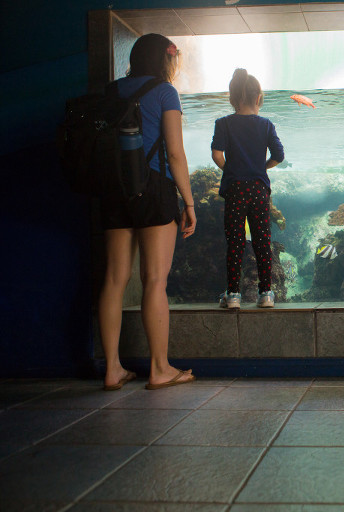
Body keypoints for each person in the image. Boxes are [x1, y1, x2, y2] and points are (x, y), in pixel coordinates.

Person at [99, 33, 197, 391]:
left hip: (114, 190)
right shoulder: (165, 92)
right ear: (166, 59)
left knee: (114, 279)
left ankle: (112, 369)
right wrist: (188, 202)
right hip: (154, 189)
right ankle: (159, 369)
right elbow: (175, 153)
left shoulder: (112, 91)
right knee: (154, 279)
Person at [212, 69, 284, 309]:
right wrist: (261, 168)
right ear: (258, 98)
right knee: (262, 241)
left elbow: (217, 154)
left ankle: (233, 294)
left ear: (233, 98)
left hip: (235, 190)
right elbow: (279, 155)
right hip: (258, 190)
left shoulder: (223, 123)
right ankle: (266, 294)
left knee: (235, 241)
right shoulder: (266, 125)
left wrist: (232, 170)